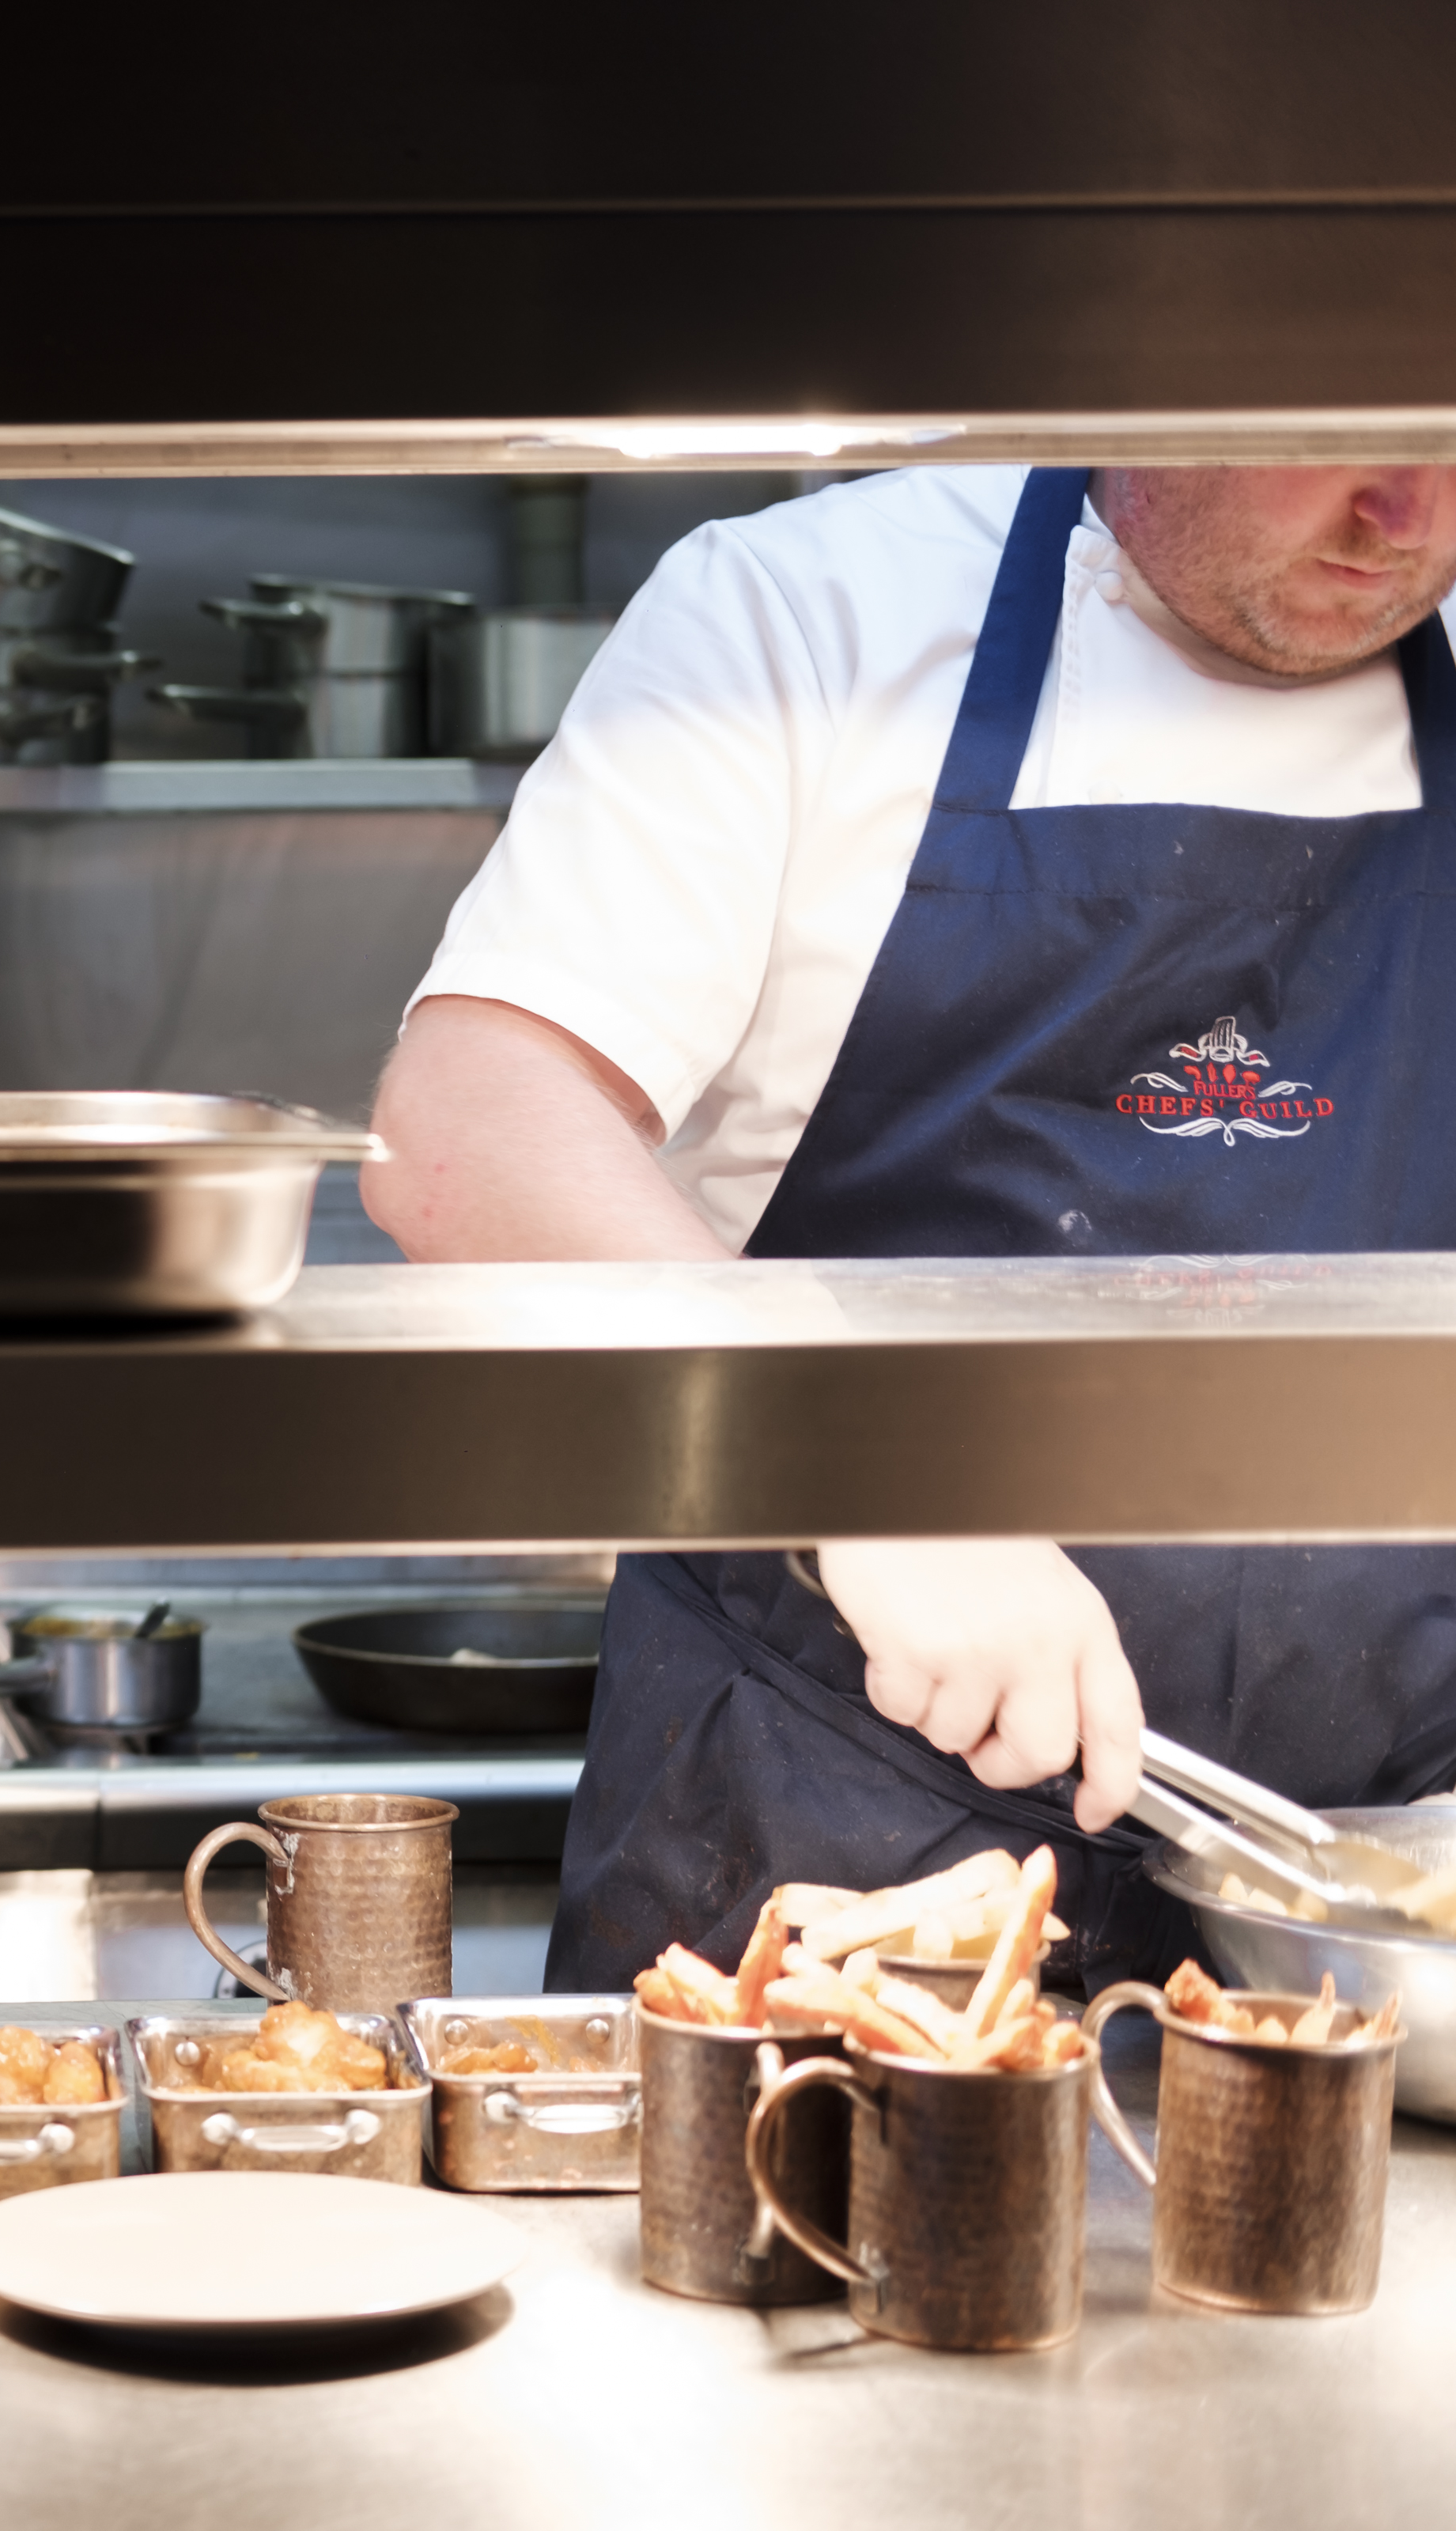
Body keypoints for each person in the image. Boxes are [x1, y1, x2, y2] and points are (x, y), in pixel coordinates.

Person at [368, 462, 1456, 1996]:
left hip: (1382, 1912)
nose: (1409, 518)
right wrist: (862, 1466)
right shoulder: (813, 613)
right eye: (1349, 445)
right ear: (1155, 370)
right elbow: (465, 1127)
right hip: (831, 1878)